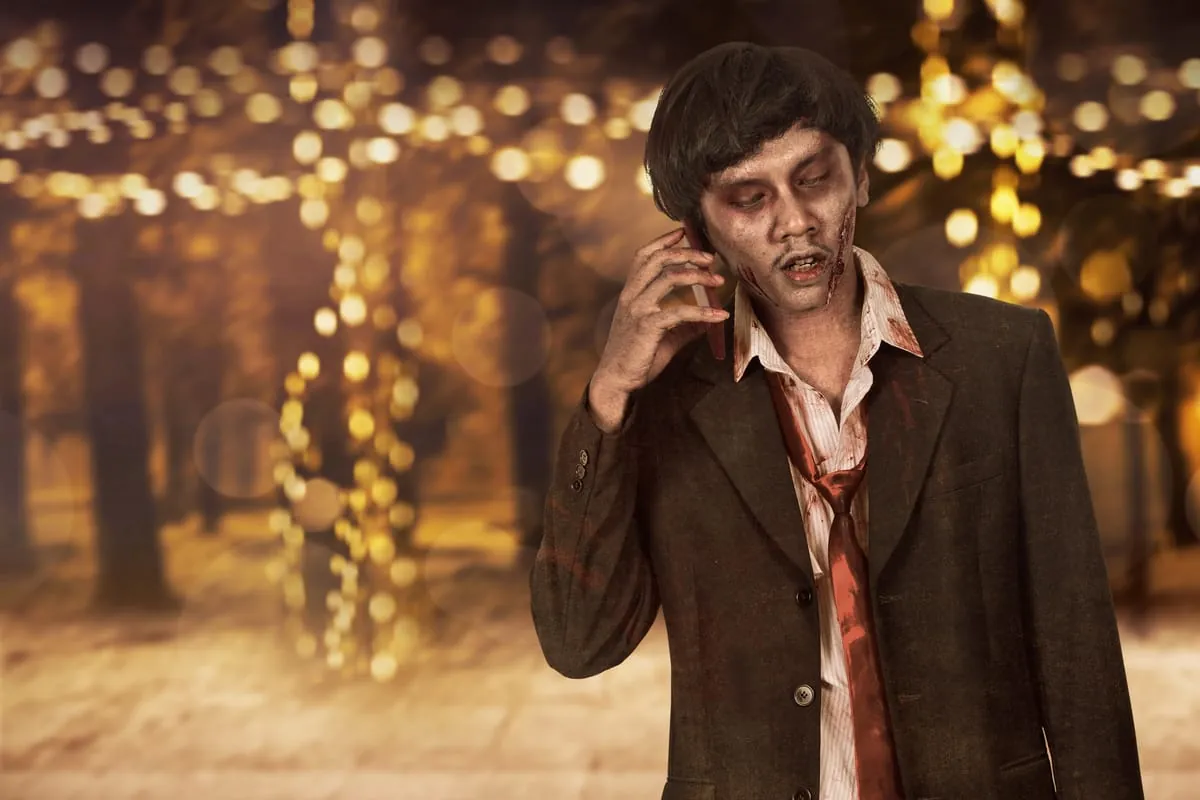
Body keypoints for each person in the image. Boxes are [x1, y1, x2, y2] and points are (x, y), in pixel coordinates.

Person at [529, 41, 1143, 800]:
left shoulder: (1002, 356)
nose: (795, 222)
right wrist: (609, 395)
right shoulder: (663, 402)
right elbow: (578, 642)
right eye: (749, 199)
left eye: (814, 178)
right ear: (698, 229)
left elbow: (1078, 645)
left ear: (861, 175)